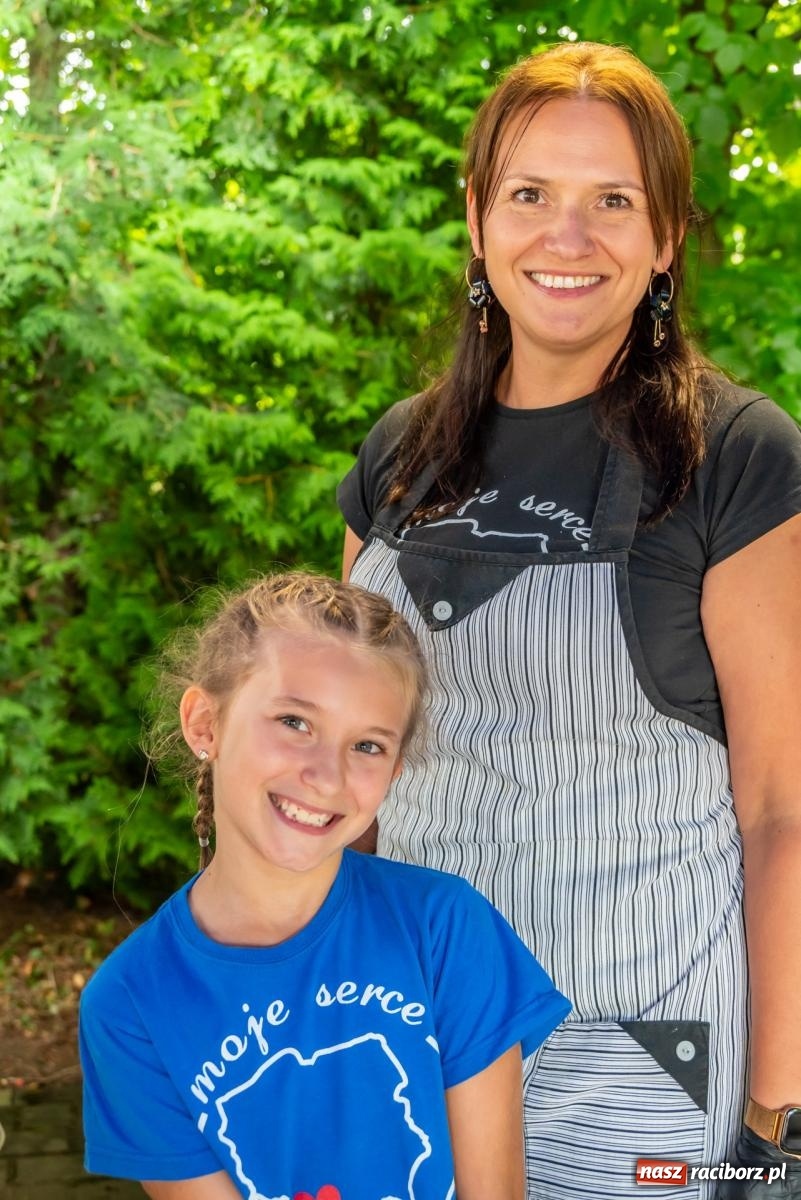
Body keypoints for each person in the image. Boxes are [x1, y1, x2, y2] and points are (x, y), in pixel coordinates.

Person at [338, 40, 801, 1200]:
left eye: (613, 202)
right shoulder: (398, 457)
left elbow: (783, 809)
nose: (567, 235)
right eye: (531, 194)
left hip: (646, 1057)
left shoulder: (737, 456)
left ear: (666, 240)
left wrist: (777, 1119)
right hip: (416, 1050)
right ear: (478, 216)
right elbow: (347, 779)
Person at [79, 571, 570, 1200]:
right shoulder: (130, 1004)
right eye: (294, 722)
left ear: (394, 770)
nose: (327, 776)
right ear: (205, 724)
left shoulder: (445, 929)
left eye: (367, 744)